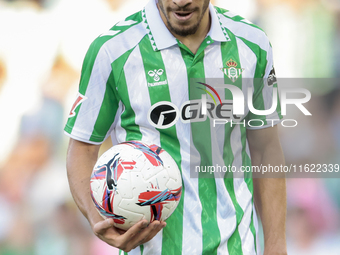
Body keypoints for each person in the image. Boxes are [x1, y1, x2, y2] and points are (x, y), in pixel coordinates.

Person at [65, 0, 287, 254]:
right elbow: (82, 148)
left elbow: (265, 149)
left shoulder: (252, 44)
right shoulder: (112, 50)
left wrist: (276, 245)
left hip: (238, 246)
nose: (181, 1)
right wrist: (99, 221)